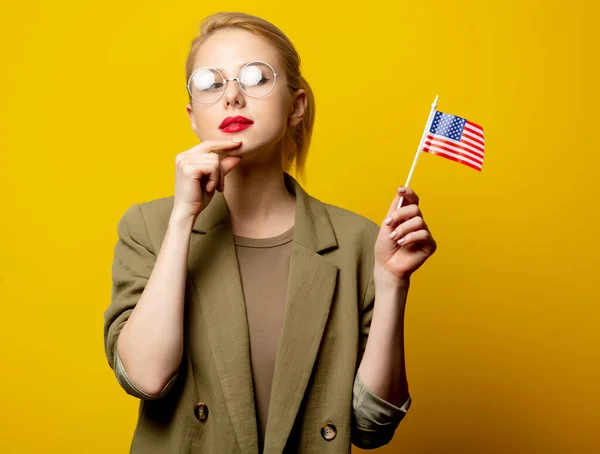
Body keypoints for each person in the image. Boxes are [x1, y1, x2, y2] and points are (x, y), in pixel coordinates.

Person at [103, 11, 437, 454]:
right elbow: (146, 377)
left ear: (296, 105)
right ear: (191, 115)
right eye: (210, 83)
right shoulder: (148, 226)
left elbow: (371, 426)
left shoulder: (357, 240)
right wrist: (184, 216)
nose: (232, 97)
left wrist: (393, 284)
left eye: (256, 77)